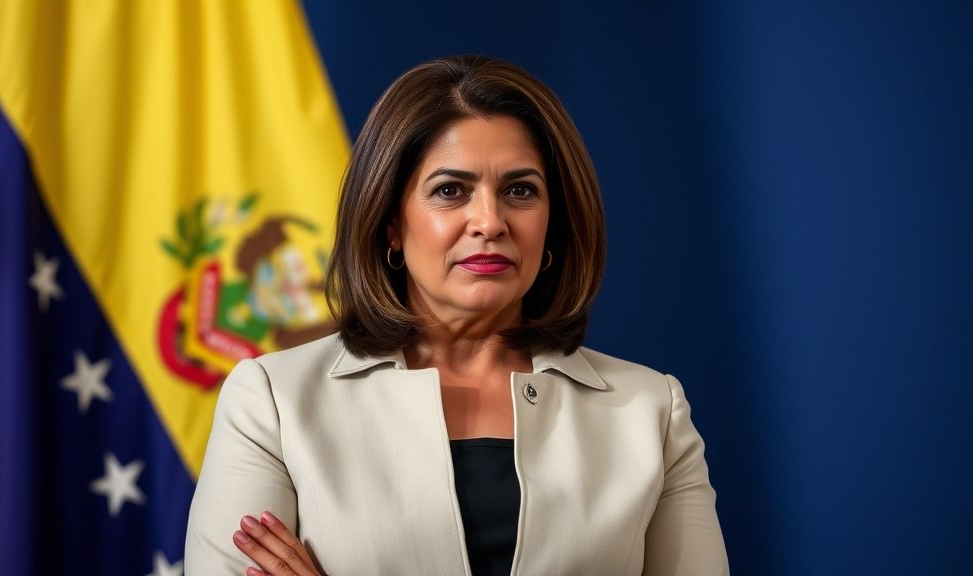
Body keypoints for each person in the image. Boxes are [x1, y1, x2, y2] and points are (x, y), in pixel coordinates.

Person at [185, 54, 729, 576]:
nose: (489, 221)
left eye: (520, 190)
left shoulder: (651, 412)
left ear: (553, 225)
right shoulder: (273, 402)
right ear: (390, 223)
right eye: (451, 191)